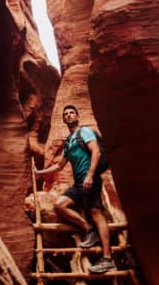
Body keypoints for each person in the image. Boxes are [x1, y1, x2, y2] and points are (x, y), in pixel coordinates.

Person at [34, 104, 115, 273]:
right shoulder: (69, 142)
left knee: (96, 213)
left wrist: (91, 175)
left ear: (77, 116)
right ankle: (88, 229)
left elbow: (96, 152)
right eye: (66, 114)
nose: (69, 115)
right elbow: (58, 166)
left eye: (72, 113)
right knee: (60, 205)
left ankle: (108, 258)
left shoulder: (84, 132)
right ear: (64, 119)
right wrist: (39, 172)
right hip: (78, 183)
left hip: (89, 180)